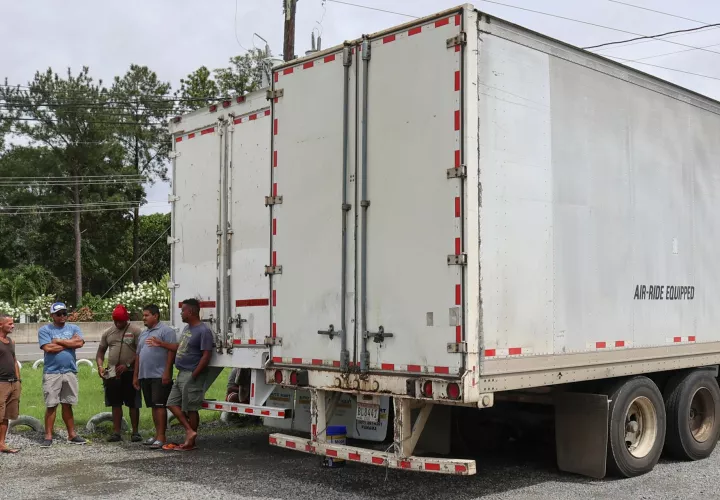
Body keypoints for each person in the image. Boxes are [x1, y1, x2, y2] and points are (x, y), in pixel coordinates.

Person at [146, 298, 213, 451]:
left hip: (191, 373)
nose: (181, 313)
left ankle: (191, 442)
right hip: (181, 372)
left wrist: (195, 374)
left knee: (191, 407)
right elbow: (179, 347)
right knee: (171, 402)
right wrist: (161, 344)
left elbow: (206, 355)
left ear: (191, 312)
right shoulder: (187, 329)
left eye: (183, 310)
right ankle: (190, 431)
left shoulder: (203, 331)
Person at [38, 302, 87, 447]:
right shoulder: (45, 330)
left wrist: (59, 341)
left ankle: (72, 435)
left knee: (68, 404)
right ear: (52, 315)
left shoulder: (74, 327)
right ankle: (48, 436)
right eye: (59, 314)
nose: (62, 316)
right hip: (52, 372)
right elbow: (48, 348)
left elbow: (79, 343)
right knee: (51, 405)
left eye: (64, 313)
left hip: (69, 371)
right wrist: (69, 342)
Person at [96, 304, 142, 442]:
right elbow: (100, 352)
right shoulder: (108, 333)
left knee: (133, 403)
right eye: (116, 321)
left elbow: (140, 352)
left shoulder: (136, 331)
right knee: (115, 403)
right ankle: (116, 432)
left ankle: (135, 432)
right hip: (112, 373)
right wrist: (100, 366)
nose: (118, 323)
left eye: (121, 321)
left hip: (130, 372)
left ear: (126, 319)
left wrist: (127, 365)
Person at [133, 304, 176, 449]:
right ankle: (157, 435)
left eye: (146, 315)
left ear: (155, 315)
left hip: (159, 375)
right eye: (143, 315)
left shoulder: (166, 331)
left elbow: (172, 351)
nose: (143, 318)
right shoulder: (144, 334)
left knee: (159, 406)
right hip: (146, 375)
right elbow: (138, 355)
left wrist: (167, 371)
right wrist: (136, 375)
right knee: (152, 405)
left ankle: (162, 436)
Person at [0, 313, 21, 454]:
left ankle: (2, 443)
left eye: (13, 323)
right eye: (10, 324)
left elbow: (14, 361)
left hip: (13, 383)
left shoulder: (11, 342)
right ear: (1, 325)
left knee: (7, 415)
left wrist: (18, 381)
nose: (13, 326)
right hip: (1, 383)